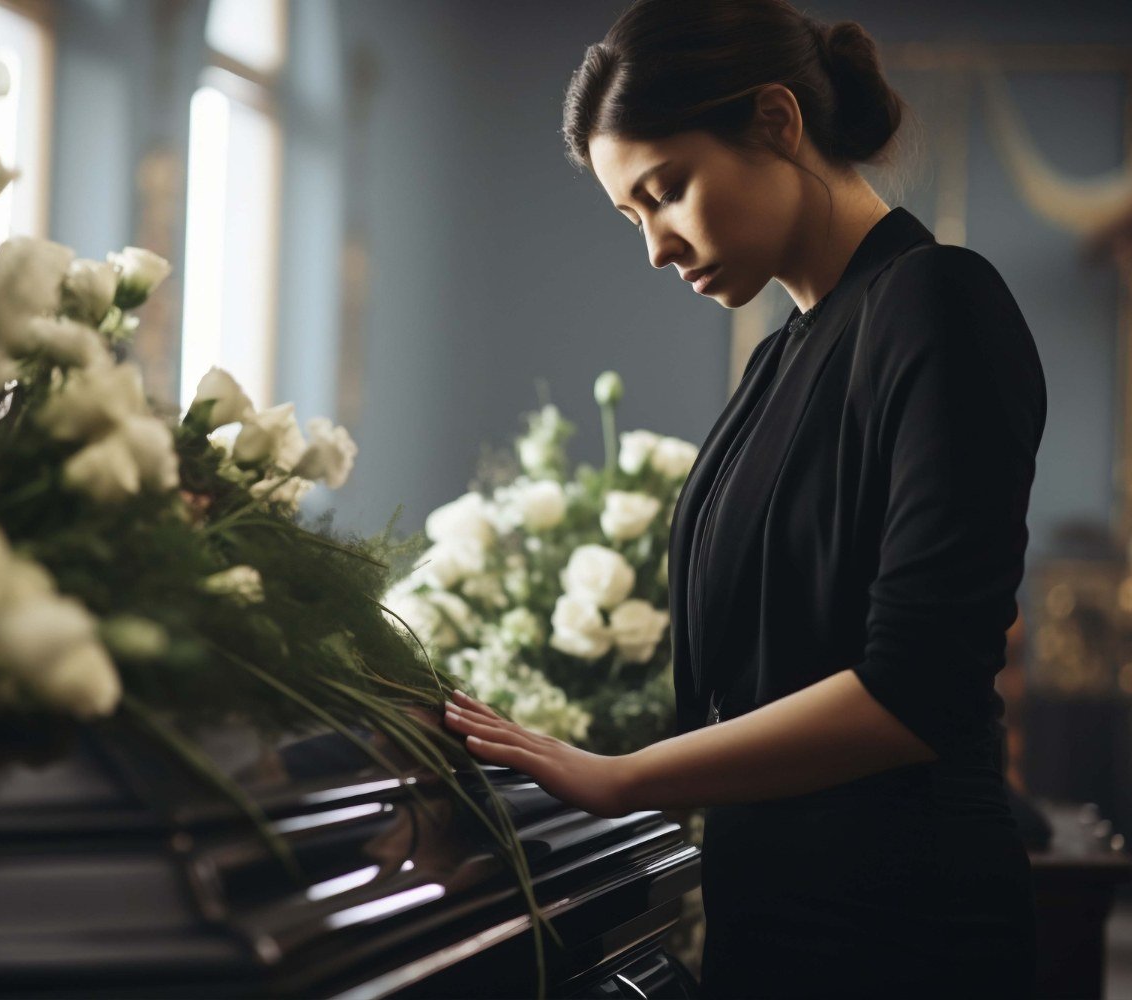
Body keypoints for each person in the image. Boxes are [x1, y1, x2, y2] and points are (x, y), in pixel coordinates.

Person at [439, 0, 1047, 996]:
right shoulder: (777, 359)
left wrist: (620, 773)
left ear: (776, 120)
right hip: (771, 911)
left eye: (667, 190)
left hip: (904, 926)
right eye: (631, 216)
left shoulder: (938, 301)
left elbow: (917, 690)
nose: (656, 247)